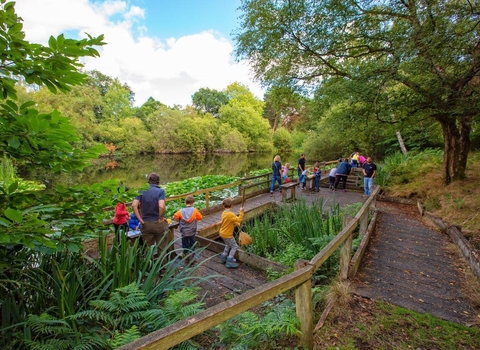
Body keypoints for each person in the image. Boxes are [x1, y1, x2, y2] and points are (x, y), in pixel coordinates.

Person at [132, 173, 169, 255]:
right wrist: (160, 218)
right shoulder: (160, 191)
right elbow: (162, 206)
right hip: (159, 223)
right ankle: (162, 267)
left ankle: (148, 267)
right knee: (162, 249)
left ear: (148, 181)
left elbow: (134, 205)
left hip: (146, 223)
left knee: (147, 249)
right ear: (158, 182)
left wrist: (140, 220)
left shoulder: (141, 191)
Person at [173, 195, 203, 264]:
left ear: (185, 203)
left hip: (184, 231)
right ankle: (192, 258)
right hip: (192, 231)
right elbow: (200, 217)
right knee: (192, 244)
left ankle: (186, 258)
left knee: (185, 244)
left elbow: (175, 216)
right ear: (193, 203)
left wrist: (182, 219)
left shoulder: (181, 211)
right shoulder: (195, 210)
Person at [219, 198, 244, 269]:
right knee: (234, 246)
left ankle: (223, 257)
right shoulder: (230, 214)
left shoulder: (224, 213)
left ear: (223, 206)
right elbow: (239, 219)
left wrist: (238, 224)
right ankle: (229, 260)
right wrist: (241, 211)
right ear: (232, 205)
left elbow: (231, 221)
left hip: (222, 233)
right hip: (227, 234)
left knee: (228, 244)